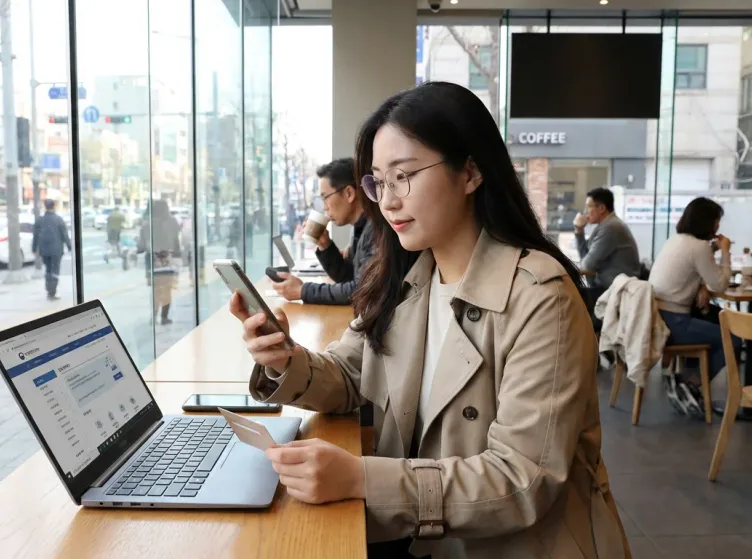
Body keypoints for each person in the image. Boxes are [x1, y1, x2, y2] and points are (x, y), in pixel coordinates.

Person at [229, 82, 628, 559]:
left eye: (405, 176)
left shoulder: (541, 297)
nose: (388, 201)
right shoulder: (407, 279)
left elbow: (523, 479)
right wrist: (283, 359)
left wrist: (359, 477)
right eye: (379, 181)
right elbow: (349, 374)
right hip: (421, 537)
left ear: (471, 172)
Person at [648, 197, 741, 419]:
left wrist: (701, 286)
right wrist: (726, 252)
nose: (718, 226)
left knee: (711, 320)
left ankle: (687, 381)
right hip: (673, 323)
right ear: (708, 222)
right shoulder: (699, 247)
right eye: (717, 220)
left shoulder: (676, 240)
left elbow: (692, 273)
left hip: (654, 317)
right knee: (735, 338)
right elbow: (719, 284)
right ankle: (692, 385)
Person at [272, 158, 375, 305]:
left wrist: (302, 290)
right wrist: (325, 246)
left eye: (325, 197)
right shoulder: (360, 228)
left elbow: (360, 290)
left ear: (349, 193)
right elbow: (348, 277)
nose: (324, 207)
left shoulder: (376, 230)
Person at [575, 187, 642, 293]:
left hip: (617, 292)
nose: (585, 212)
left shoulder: (611, 227)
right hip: (608, 289)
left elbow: (586, 266)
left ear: (601, 208)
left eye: (588, 207)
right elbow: (585, 258)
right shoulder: (605, 226)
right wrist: (579, 230)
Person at [140, 200, 182, 325]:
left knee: (155, 290)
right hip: (167, 258)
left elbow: (141, 245)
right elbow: (176, 241)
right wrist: (178, 255)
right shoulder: (172, 222)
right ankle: (164, 317)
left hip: (152, 259)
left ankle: (153, 317)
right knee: (167, 290)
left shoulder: (146, 224)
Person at [32, 199, 72, 301]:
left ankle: (49, 290)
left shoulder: (40, 220)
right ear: (54, 206)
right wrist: (69, 246)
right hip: (56, 250)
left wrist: (34, 248)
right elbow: (64, 235)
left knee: (48, 269)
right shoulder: (58, 219)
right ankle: (52, 292)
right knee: (54, 270)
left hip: (44, 250)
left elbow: (35, 236)